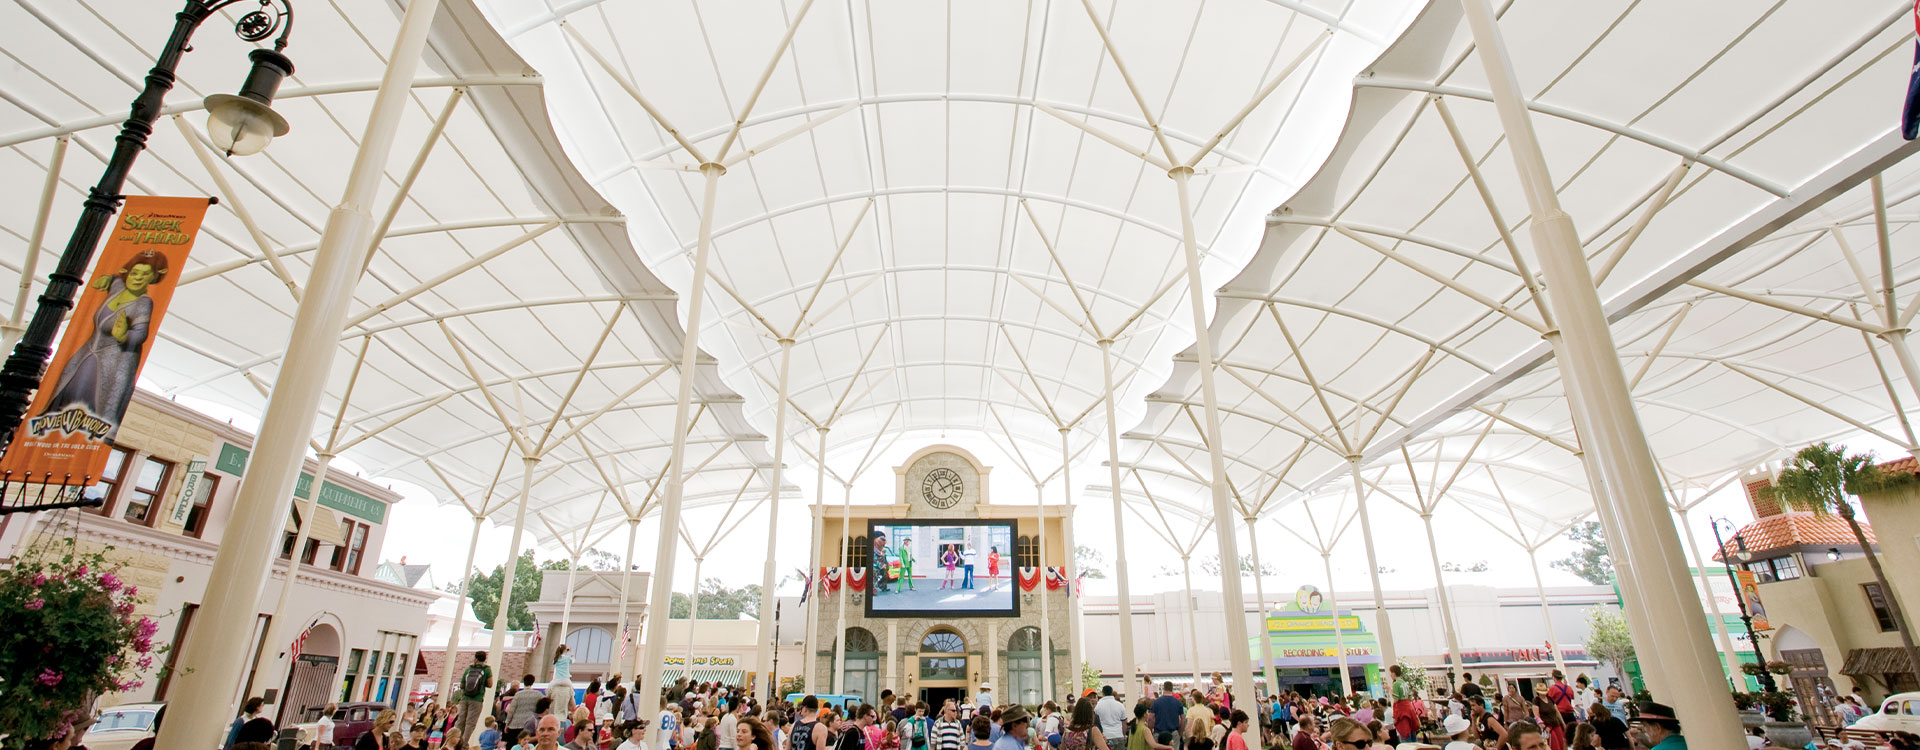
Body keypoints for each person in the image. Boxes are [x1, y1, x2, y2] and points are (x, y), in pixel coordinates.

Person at [1150, 683, 1185, 750]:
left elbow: (1150, 718)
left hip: (1158, 733)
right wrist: (1180, 733)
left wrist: (1150, 731)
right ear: (1172, 689)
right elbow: (1183, 719)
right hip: (1173, 734)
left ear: (1164, 689)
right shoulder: (1178, 703)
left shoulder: (1156, 702)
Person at [553, 646, 578, 715]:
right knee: (571, 694)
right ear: (564, 650)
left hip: (556, 680)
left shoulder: (556, 659)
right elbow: (573, 660)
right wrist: (571, 652)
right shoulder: (567, 658)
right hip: (566, 680)